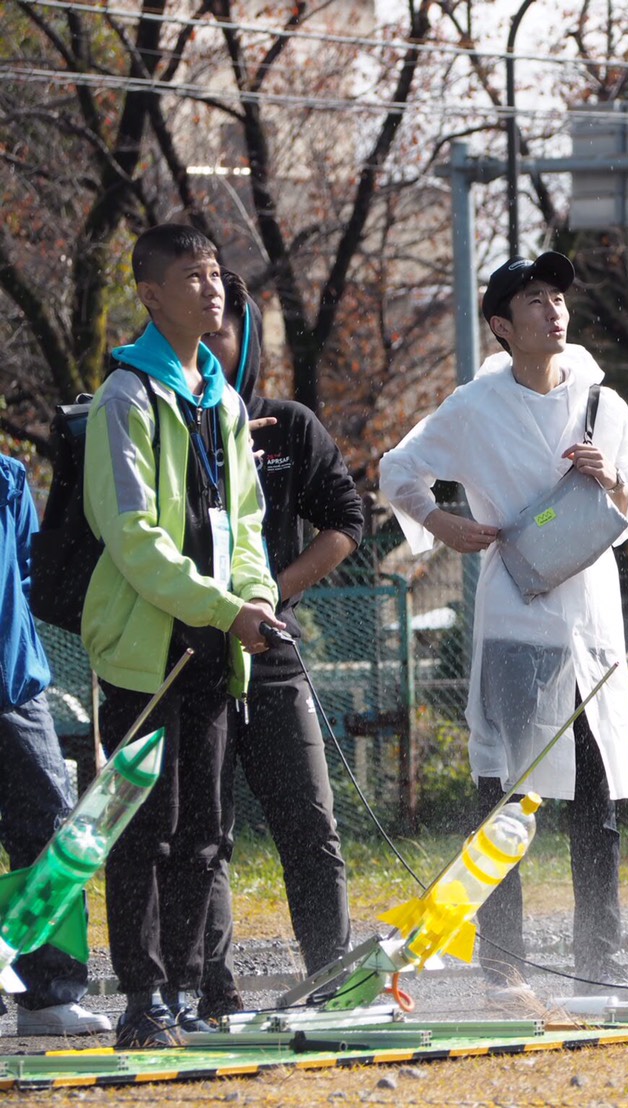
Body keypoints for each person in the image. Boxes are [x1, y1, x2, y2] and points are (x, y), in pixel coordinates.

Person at [379, 251, 628, 992]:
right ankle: (503, 962)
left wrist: (614, 480)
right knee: (507, 797)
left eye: (558, 296)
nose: (553, 310)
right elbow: (394, 469)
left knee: (597, 799)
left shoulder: (605, 402)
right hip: (517, 613)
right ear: (502, 325)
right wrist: (441, 521)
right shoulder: (474, 406)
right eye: (534, 300)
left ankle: (601, 958)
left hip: (593, 616)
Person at [82, 224, 282, 1048]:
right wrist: (217, 607)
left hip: (215, 648)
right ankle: (143, 997)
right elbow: (132, 537)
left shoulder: (224, 402)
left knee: (204, 832)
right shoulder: (125, 397)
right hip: (144, 654)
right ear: (150, 295)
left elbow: (246, 525)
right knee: (141, 827)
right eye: (192, 277)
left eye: (216, 276)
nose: (211, 290)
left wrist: (257, 597)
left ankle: (193, 985)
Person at [194, 271, 362, 1022]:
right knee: (202, 834)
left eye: (222, 327)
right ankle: (211, 987)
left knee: (311, 825)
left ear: (247, 341)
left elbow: (346, 522)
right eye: (195, 329)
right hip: (188, 659)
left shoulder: (288, 427)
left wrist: (274, 594)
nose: (207, 342)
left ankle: (335, 979)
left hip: (271, 651)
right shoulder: (155, 426)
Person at [0, 453, 113, 1037]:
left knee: (51, 828)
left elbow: (24, 570)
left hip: (15, 683)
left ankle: (47, 995)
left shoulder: (8, 476)